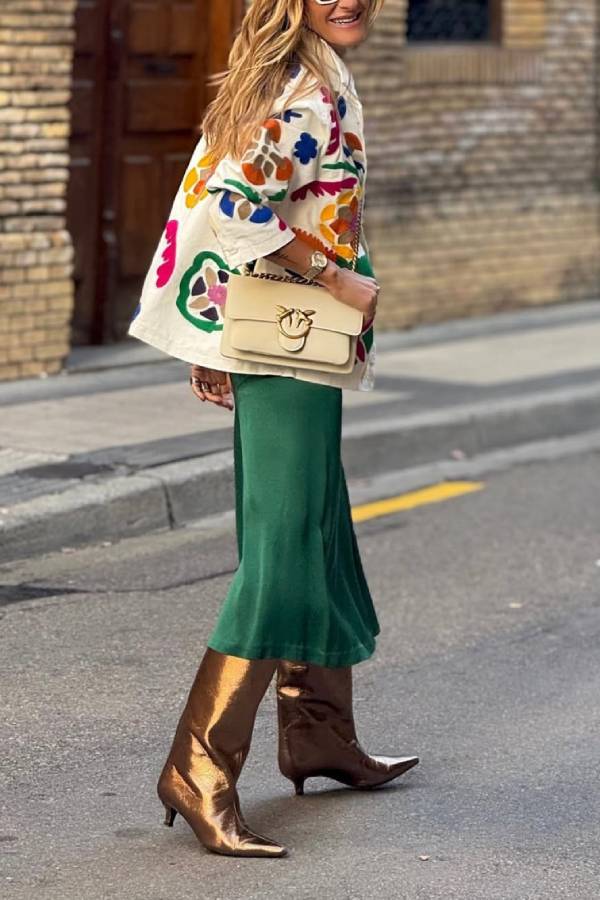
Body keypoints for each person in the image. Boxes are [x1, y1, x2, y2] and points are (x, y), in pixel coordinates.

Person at [129, 0, 418, 859]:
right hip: (292, 346)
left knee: (318, 535)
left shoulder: (302, 76)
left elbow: (210, 198)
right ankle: (200, 762)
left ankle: (320, 736)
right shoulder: (304, 94)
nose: (350, 0)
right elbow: (231, 206)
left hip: (285, 347)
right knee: (285, 552)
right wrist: (334, 276)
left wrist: (211, 331)